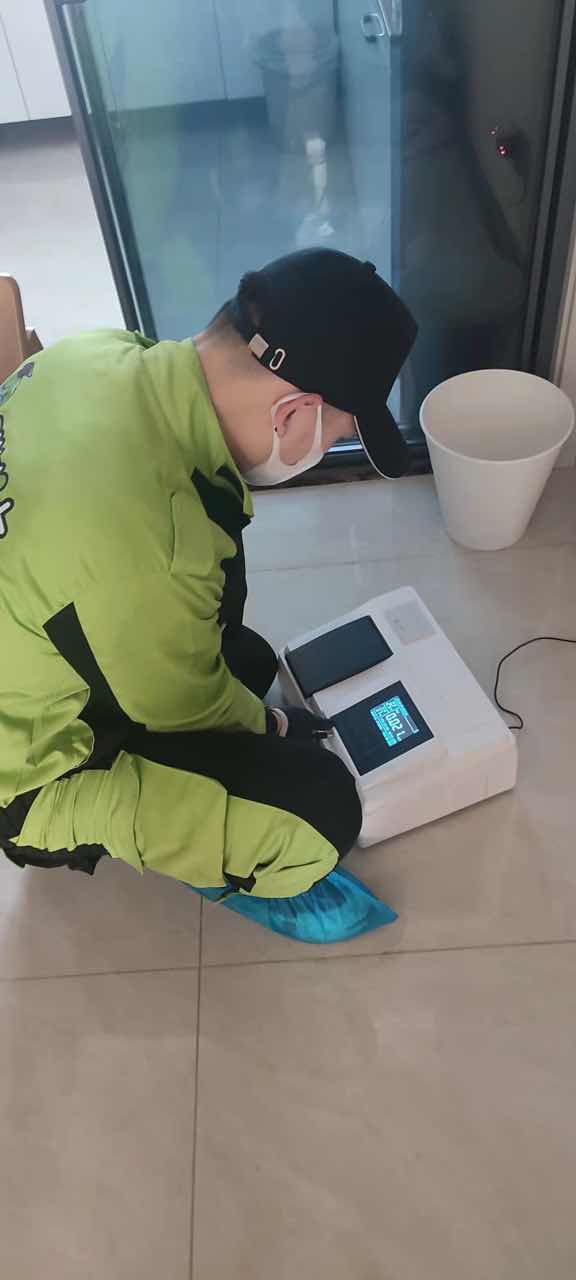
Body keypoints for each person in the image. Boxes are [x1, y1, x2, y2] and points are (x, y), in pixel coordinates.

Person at [0, 248, 416, 899]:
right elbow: (185, 709)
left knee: (244, 658)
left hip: (39, 633)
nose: (323, 450)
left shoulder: (95, 353)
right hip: (26, 775)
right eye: (337, 432)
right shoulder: (153, 532)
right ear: (293, 413)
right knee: (319, 814)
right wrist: (274, 732)